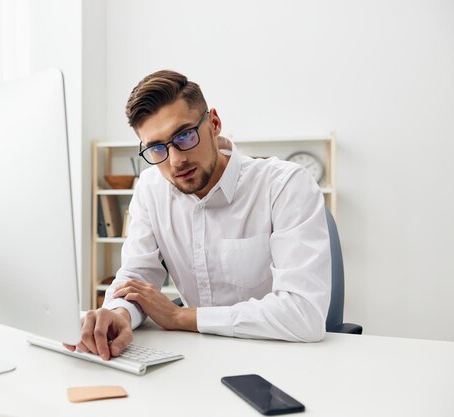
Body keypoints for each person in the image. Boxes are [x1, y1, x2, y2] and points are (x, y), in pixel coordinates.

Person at [66, 70, 331, 361]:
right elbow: (137, 277)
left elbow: (304, 315)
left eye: (184, 136)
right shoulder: (150, 189)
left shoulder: (284, 185)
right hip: (197, 357)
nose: (176, 160)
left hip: (281, 358)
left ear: (214, 123)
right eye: (156, 148)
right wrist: (119, 314)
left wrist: (180, 317)